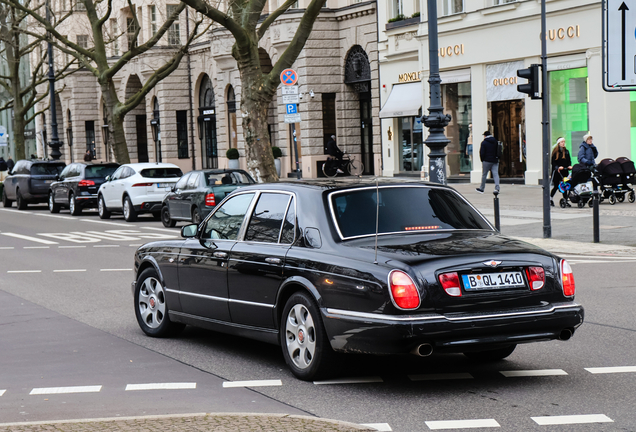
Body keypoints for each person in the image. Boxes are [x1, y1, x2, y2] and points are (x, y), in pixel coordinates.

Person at [550, 137, 572, 206]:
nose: (563, 143)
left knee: (565, 186)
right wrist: (557, 167)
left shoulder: (566, 151)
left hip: (564, 171)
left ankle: (565, 199)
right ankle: (550, 198)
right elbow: (553, 162)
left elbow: (569, 161)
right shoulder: (555, 152)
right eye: (562, 142)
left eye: (564, 142)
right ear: (559, 143)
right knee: (556, 186)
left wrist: (569, 166)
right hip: (557, 172)